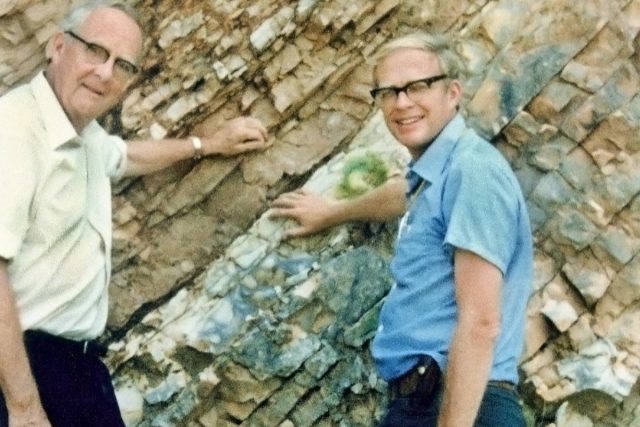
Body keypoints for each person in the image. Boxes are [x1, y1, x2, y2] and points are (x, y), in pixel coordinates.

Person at [0, 1, 269, 426]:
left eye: (122, 65)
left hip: (78, 371)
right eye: (95, 50)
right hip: (26, 372)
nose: (105, 73)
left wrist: (206, 144)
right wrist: (23, 407)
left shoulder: (80, 131)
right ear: (57, 46)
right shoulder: (14, 131)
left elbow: (125, 156)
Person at [270, 32, 533, 427]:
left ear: (453, 92)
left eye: (417, 86)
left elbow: (481, 321)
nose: (402, 102)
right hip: (425, 403)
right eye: (388, 92)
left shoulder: (473, 171)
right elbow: (404, 195)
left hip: (462, 407)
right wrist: (334, 212)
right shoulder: (436, 176)